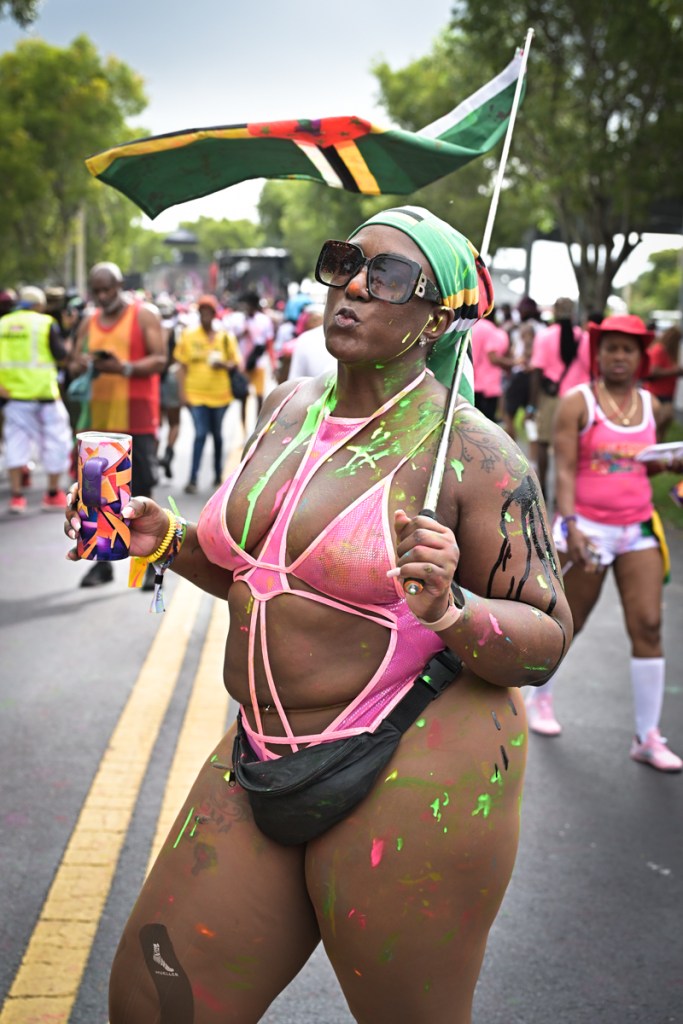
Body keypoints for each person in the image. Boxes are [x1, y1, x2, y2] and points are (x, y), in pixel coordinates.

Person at [65, 205, 572, 1024]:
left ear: (437, 315)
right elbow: (260, 578)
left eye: (387, 274)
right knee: (154, 1004)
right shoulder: (289, 404)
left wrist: (451, 608)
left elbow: (546, 643)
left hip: (409, 762)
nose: (354, 286)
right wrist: (169, 541)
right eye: (344, 261)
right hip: (262, 747)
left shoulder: (476, 455)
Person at [526, 314, 682, 772]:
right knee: (569, 622)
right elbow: (567, 470)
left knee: (650, 625)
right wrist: (570, 524)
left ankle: (647, 736)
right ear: (600, 354)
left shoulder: (653, 407)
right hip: (587, 530)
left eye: (628, 350)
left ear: (640, 357)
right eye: (611, 348)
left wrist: (668, 462)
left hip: (637, 529)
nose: (619, 357)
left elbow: (642, 465)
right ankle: (538, 700)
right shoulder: (579, 403)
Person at [69, 262, 166, 587]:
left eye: (107, 288)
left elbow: (160, 359)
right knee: (96, 498)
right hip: (98, 426)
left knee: (141, 494)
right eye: (96, 290)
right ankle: (103, 562)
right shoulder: (89, 321)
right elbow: (70, 361)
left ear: (120, 284)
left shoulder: (144, 314)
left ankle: (149, 565)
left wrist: (122, 368)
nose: (102, 295)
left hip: (137, 420)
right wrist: (81, 363)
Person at [0, 286, 72, 513]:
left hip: (13, 397)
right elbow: (61, 355)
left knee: (15, 442)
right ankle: (52, 494)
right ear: (39, 305)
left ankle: (17, 497)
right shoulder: (45, 323)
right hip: (44, 395)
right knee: (56, 441)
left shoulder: (2, 324)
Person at [174, 294, 241, 494]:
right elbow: (181, 365)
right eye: (201, 311)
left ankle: (218, 475)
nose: (205, 315)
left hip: (220, 395)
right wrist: (182, 393)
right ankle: (193, 478)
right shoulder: (188, 335)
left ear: (214, 314)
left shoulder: (225, 337)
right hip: (195, 394)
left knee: (218, 436)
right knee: (200, 434)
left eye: (208, 311)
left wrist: (224, 364)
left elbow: (235, 362)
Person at [528, 296, 591, 497]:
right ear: (573, 314)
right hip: (578, 401)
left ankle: (544, 490)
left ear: (555, 312)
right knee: (572, 448)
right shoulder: (584, 338)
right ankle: (566, 491)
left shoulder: (545, 336)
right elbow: (590, 371)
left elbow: (536, 373)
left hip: (551, 399)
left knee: (544, 444)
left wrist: (532, 405)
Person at [502, 295, 544, 443]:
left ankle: (512, 450)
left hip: (522, 374)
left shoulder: (527, 327)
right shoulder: (542, 327)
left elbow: (527, 348)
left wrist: (523, 361)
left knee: (508, 414)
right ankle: (533, 461)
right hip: (535, 377)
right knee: (530, 418)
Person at [470, 307, 514, 421]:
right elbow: (493, 358)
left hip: (470, 382)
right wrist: (513, 363)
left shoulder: (471, 325)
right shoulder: (493, 331)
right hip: (488, 386)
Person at [643, 325, 683, 442]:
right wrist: (675, 371)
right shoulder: (659, 350)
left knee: (663, 428)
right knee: (656, 428)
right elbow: (652, 371)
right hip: (656, 395)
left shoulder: (669, 352)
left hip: (667, 395)